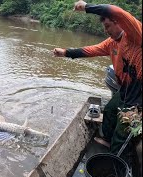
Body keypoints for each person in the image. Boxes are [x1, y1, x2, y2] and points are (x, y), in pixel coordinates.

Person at [53, 0, 142, 156]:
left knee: (122, 133)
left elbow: (117, 11)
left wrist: (86, 7)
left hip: (139, 96)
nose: (106, 30)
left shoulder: (136, 34)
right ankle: (107, 140)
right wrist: (66, 53)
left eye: (107, 26)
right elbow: (90, 50)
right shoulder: (111, 43)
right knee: (109, 110)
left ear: (119, 23)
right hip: (125, 90)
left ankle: (115, 163)